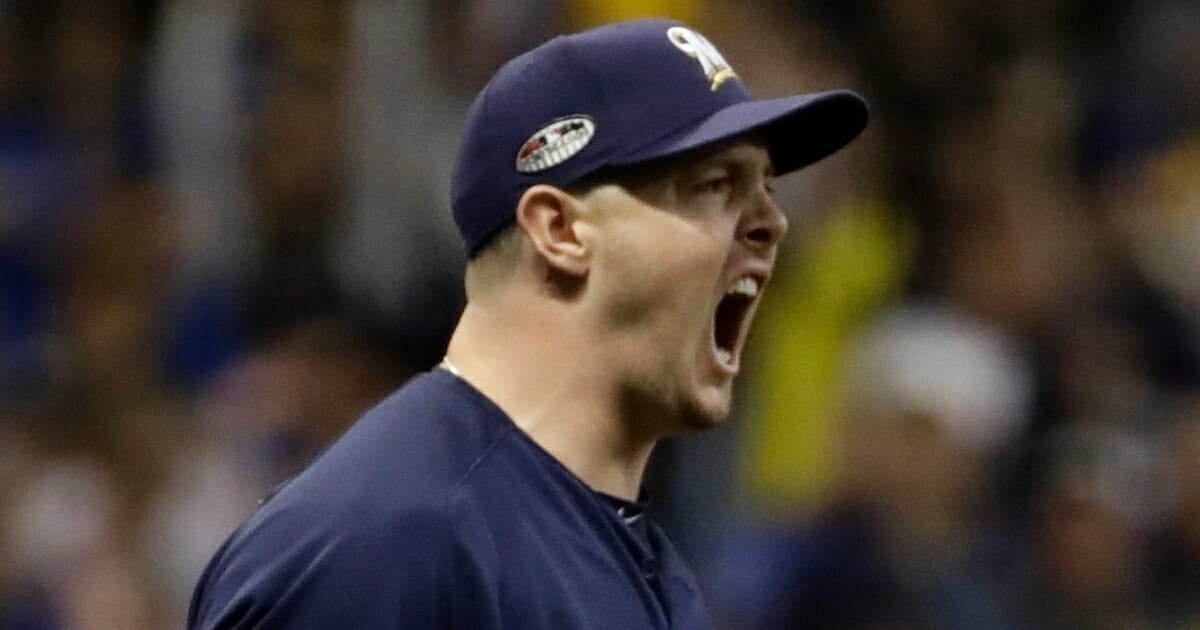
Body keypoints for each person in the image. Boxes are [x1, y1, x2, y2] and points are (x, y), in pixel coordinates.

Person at [187, 18, 867, 629]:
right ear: (560, 229)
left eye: (766, 189)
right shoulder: (388, 540)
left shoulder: (644, 562)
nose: (772, 223)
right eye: (715, 184)